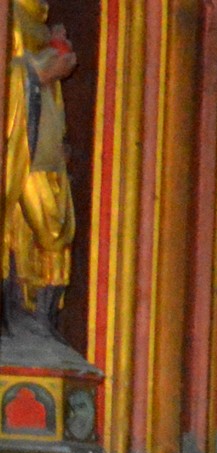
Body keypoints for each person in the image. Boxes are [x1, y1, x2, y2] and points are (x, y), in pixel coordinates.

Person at [4, 0, 77, 339]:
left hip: (42, 143)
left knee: (54, 228)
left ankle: (41, 319)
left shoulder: (38, 17)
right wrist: (36, 70)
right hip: (17, 143)